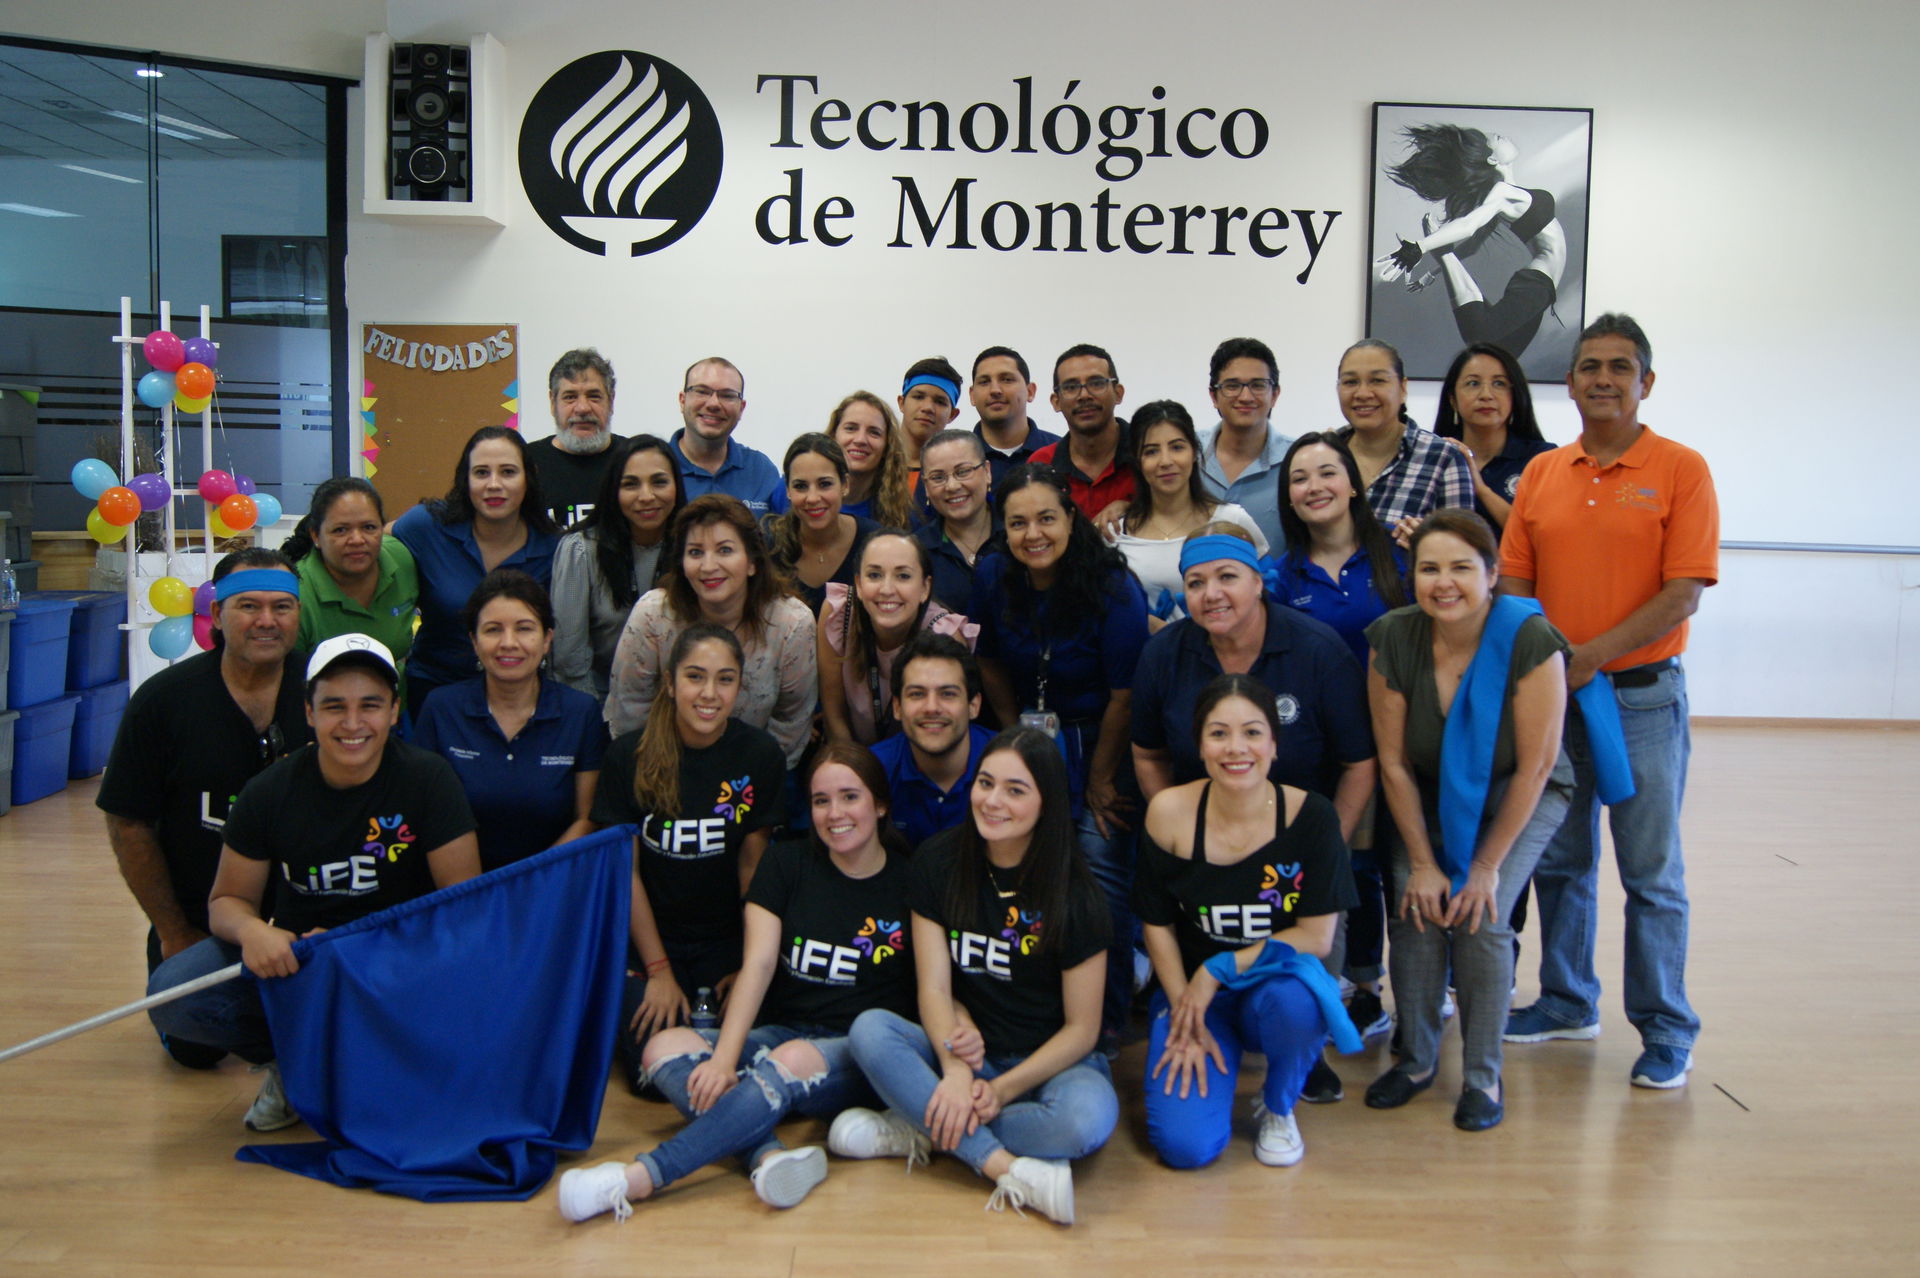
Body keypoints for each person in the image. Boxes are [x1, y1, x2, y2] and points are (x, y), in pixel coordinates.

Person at [559, 744, 917, 1222]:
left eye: (850, 797)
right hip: (788, 1031)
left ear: (880, 804)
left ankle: (637, 1179)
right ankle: (767, 1157)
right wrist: (725, 1058)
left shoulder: (913, 881)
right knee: (662, 1048)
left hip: (859, 1049)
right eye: (820, 801)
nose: (835, 814)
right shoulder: (785, 865)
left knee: (784, 1062)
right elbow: (760, 965)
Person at [1499, 313, 1717, 1090]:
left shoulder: (1681, 469)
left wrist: (1587, 657)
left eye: (1619, 367)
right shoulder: (1544, 474)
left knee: (1651, 872)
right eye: (1589, 365)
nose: (1602, 378)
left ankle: (1665, 1027)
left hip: (1640, 700)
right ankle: (1566, 1000)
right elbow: (1516, 587)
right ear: (1570, 382)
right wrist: (1545, 666)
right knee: (1561, 860)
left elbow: (1682, 594)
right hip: (1558, 699)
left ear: (1644, 382)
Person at [146, 634, 481, 1131]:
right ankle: (294, 1063)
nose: (352, 724)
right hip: (299, 969)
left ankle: (375, 1062)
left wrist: (365, 946)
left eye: (369, 706)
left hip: (400, 962)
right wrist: (256, 933)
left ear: (393, 711)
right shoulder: (270, 791)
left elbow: (462, 907)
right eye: (333, 707)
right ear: (308, 713)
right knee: (174, 992)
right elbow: (227, 902)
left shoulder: (428, 780)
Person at [1129, 524, 1377, 1101]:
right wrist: (1180, 825)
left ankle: (1301, 1056)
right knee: (1183, 1132)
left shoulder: (1316, 650)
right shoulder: (1166, 653)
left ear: (1258, 582)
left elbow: (1359, 762)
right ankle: (1204, 1023)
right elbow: (1147, 753)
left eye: (1227, 577)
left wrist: (1324, 848)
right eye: (1195, 583)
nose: (1211, 594)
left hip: (1298, 838)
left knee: (1302, 964)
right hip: (1205, 842)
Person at [840, 728, 1117, 1226]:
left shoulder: (1078, 895)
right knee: (870, 1031)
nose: (993, 801)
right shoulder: (938, 862)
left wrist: (1003, 1090)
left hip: (1049, 1067)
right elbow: (934, 988)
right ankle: (998, 1161)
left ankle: (923, 1126)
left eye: (1015, 790)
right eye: (985, 783)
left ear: (1046, 802)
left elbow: (1082, 1031)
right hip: (966, 1052)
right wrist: (955, 1070)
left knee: (1085, 1121)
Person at [1363, 510, 1575, 1131]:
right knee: (1417, 908)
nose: (1443, 582)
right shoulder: (1394, 637)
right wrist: (1424, 864)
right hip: (1425, 794)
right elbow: (1394, 763)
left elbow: (1536, 767)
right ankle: (1417, 1058)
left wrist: (1482, 868)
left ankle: (1482, 1074)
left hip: (1517, 794)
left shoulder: (1529, 639)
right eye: (1429, 568)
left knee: (1480, 917)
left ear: (1493, 574)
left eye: (1461, 567)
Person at [98, 549, 314, 1068]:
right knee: (191, 1036)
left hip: (310, 922)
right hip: (203, 924)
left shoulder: (328, 694)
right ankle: (289, 1038)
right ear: (216, 615)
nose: (266, 620)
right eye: (248, 606)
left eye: (282, 607)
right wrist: (174, 932)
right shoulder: (163, 702)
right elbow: (129, 824)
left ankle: (295, 1041)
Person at [1136, 675, 1358, 1168]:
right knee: (1185, 1148)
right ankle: (1212, 1061)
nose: (1236, 748)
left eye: (1253, 732)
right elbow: (1156, 924)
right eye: (1218, 733)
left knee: (1299, 1003)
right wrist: (1183, 1010)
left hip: (1272, 988)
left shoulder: (1312, 817)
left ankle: (1280, 1105)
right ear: (1199, 745)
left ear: (1275, 745)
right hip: (1195, 996)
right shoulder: (1169, 813)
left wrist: (1217, 968)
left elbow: (1317, 938)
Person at [972, 465, 1148, 1047]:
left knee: (1100, 878)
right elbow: (990, 661)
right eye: (1018, 523)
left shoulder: (1114, 587)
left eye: (1046, 517)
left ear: (1071, 519)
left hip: (1100, 738)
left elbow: (1124, 694)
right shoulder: (994, 573)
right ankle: (1041, 1012)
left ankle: (1107, 1022)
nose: (1033, 534)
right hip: (1027, 739)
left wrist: (1099, 779)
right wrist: (1008, 736)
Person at [591, 624, 791, 1092]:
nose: (709, 693)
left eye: (724, 679)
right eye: (695, 677)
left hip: (722, 940)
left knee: (752, 1050)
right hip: (650, 941)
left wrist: (748, 961)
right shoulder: (627, 756)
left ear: (740, 687)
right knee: (655, 1076)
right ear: (670, 682)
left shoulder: (759, 754)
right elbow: (627, 873)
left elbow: (752, 864)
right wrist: (657, 970)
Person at [1272, 431, 1410, 1041]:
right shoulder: (1282, 574)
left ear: (1353, 483)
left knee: (1373, 868)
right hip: (1313, 746)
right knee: (1328, 863)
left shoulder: (1398, 557)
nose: (1314, 487)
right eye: (1300, 479)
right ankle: (1319, 981)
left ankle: (1366, 985)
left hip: (1391, 743)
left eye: (1327, 473)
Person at [413, 570, 605, 872]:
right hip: (461, 891)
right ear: (474, 642)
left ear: (547, 640)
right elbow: (424, 816)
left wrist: (529, 882)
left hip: (553, 883)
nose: (508, 643)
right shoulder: (441, 708)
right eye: (492, 630)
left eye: (524, 629)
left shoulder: (580, 712)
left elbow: (587, 819)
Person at [604, 495, 816, 767]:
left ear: (752, 561)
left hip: (756, 772)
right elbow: (630, 711)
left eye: (725, 550)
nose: (708, 566)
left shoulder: (792, 623)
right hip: (662, 766)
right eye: (695, 552)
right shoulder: (652, 615)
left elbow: (791, 723)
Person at [392, 426, 561, 719]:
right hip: (431, 695)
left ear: (528, 478)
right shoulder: (426, 526)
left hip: (518, 699)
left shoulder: (555, 547)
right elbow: (372, 546)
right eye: (481, 473)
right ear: (465, 479)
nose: (493, 484)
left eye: (508, 472)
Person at [1375, 125, 1569, 360]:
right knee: (1483, 339)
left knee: (1499, 356)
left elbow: (1471, 244)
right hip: (1538, 280)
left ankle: (1444, 256)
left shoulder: (1509, 193)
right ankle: (1444, 255)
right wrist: (1421, 246)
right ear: (1492, 158)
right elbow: (1468, 225)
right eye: (1497, 138)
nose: (1503, 134)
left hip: (1542, 286)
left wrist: (1430, 275)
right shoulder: (1502, 192)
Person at [550, 434, 685, 700]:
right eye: (630, 484)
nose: (646, 496)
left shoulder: (693, 548)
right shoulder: (581, 550)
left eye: (659, 482)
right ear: (613, 490)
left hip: (678, 706)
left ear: (676, 487)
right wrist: (603, 724)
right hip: (599, 704)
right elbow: (570, 663)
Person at [1109, 399, 1267, 627]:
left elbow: (1268, 594)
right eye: (1151, 451)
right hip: (1143, 660)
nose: (1166, 461)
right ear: (1137, 460)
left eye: (1177, 447)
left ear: (1194, 451)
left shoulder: (1232, 520)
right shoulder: (1114, 532)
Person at [818, 531, 977, 747]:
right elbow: (834, 717)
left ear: (925, 588)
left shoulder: (944, 634)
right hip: (854, 760)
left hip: (918, 757)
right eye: (874, 575)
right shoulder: (838, 614)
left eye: (903, 576)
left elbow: (943, 729)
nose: (886, 589)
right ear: (859, 585)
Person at [285, 477, 417, 702]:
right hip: (324, 721)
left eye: (368, 527)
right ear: (316, 536)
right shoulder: (294, 595)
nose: (357, 540)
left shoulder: (402, 560)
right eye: (340, 530)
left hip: (397, 712)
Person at [1331, 339, 1474, 543]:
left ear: (1403, 388)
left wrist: (1426, 545)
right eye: (1350, 382)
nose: (1362, 393)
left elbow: (1463, 553)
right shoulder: (1324, 453)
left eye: (1377, 380)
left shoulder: (1443, 459)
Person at [869, 632, 994, 848]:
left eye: (948, 694)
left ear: (973, 705)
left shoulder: (1012, 766)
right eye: (917, 694)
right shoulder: (871, 772)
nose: (932, 708)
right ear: (897, 707)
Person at [1432, 342, 1555, 534]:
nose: (1486, 395)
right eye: (1473, 383)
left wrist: (1481, 489)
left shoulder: (1542, 459)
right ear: (1452, 399)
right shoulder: (1436, 456)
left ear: (1514, 396)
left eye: (1499, 383)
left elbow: (1540, 536)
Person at [763, 433, 882, 615]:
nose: (812, 498)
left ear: (845, 485)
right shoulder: (768, 546)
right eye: (800, 486)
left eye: (825, 484)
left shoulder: (874, 542)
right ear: (787, 490)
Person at [1196, 337, 1293, 551]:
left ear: (1275, 394)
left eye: (1258, 385)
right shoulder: (1186, 453)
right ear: (1213, 396)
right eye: (1232, 386)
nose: (1245, 396)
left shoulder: (1296, 461)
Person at [1027, 344, 1135, 521]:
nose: (1084, 395)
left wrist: (1137, 508)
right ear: (1056, 402)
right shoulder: (1041, 465)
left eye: (1096, 383)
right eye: (1070, 387)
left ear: (1118, 393)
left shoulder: (1147, 454)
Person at [773, 393, 913, 529]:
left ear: (888, 445)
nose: (860, 440)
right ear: (834, 435)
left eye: (874, 432)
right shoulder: (789, 489)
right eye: (851, 428)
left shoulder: (901, 508)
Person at [668, 356, 781, 516]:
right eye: (701, 391)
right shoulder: (658, 467)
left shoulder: (761, 471)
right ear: (682, 400)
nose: (713, 404)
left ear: (741, 408)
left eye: (727, 395)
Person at [525, 348, 625, 527]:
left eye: (594, 396)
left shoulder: (633, 459)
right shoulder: (525, 463)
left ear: (611, 401)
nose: (582, 408)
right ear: (552, 402)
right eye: (570, 397)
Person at [913, 428, 999, 614]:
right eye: (938, 477)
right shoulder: (916, 552)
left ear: (987, 471)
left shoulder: (1017, 533)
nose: (952, 486)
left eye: (963, 471)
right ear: (926, 487)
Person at [968, 346, 1061, 485]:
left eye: (1006, 379)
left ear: (1030, 391)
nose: (995, 390)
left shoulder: (1061, 453)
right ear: (972, 395)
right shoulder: (955, 459)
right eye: (984, 382)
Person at [897, 355, 965, 491]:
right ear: (902, 403)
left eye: (940, 402)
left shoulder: (958, 477)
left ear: (952, 415)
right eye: (918, 397)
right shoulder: (873, 462)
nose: (927, 407)